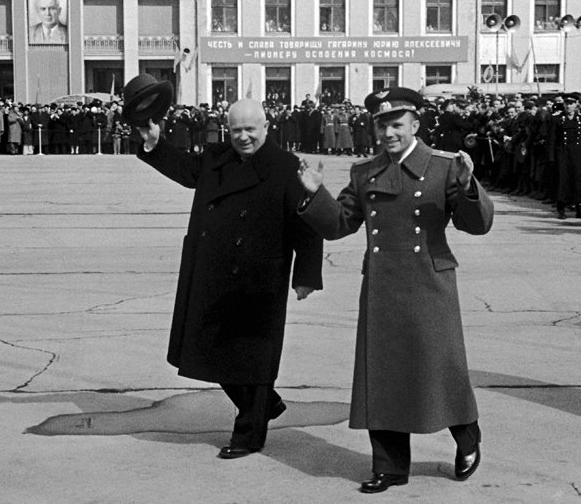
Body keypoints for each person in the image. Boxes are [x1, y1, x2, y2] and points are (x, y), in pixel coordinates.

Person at [296, 87, 494, 493]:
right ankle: (389, 465)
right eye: (381, 124)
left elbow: (477, 224)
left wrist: (470, 185)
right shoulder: (365, 172)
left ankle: (466, 434)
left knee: (440, 366)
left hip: (430, 282)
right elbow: (338, 226)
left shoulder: (444, 167)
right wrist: (316, 194)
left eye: (396, 124)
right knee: (382, 374)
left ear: (415, 125)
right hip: (383, 285)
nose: (388, 133)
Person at [135, 97, 324, 459]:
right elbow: (186, 170)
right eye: (236, 129)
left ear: (266, 128)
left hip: (259, 276)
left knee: (252, 357)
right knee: (208, 347)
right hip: (212, 271)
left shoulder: (286, 167)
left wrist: (306, 274)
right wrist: (156, 143)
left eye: (250, 129)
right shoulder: (215, 157)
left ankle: (249, 435)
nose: (243, 137)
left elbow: (306, 223)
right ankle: (265, 404)